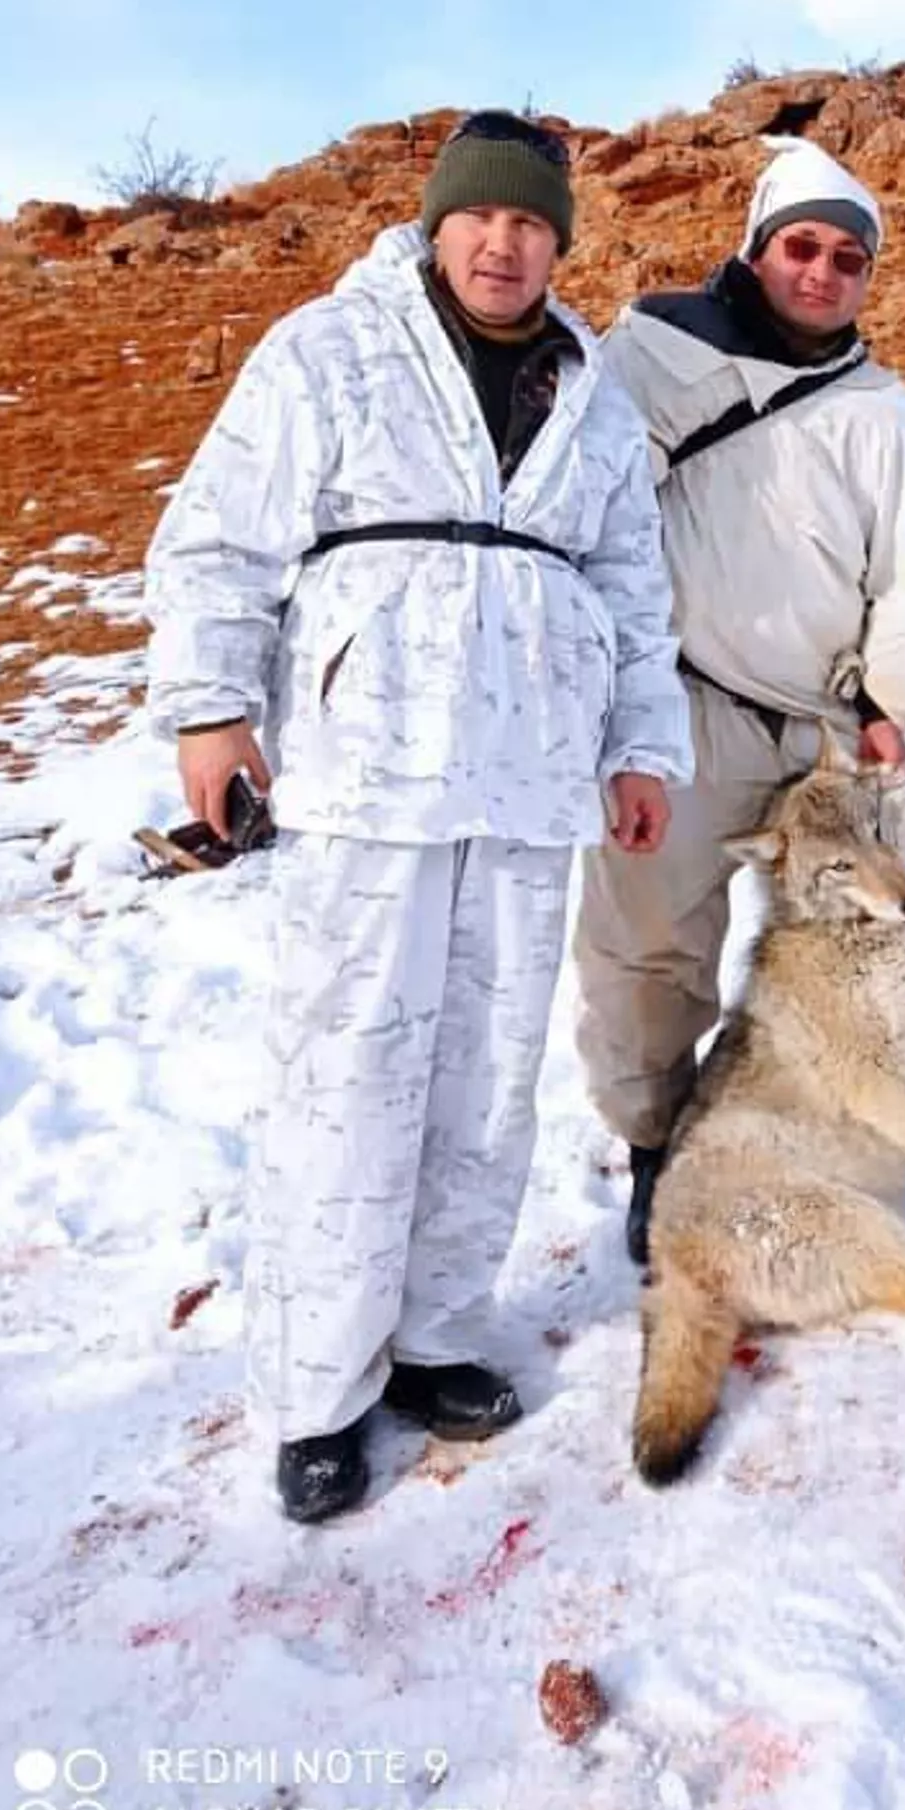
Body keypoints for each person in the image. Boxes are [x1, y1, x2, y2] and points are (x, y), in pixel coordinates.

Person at [144, 110, 691, 1524]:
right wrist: (213, 708)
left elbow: (634, 587)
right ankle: (316, 1389)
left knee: (489, 1071)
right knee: (350, 1074)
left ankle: (438, 1334)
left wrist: (640, 746)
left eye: (532, 223)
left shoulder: (594, 391)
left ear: (558, 242)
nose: (505, 243)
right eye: (482, 218)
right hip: (371, 770)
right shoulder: (327, 350)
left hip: (528, 776)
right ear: (437, 224)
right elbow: (218, 534)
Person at [574, 134, 905, 1263]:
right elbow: (587, 507)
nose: (824, 273)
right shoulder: (646, 356)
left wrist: (891, 699)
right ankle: (659, 1138)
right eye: (803, 246)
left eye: (851, 258)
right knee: (646, 927)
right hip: (684, 701)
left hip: (831, 720)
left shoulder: (883, 408)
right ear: (755, 248)